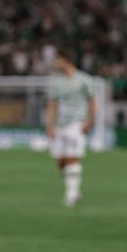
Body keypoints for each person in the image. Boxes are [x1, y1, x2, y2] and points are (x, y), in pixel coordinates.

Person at [46, 48, 97, 208]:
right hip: (60, 125)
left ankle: (71, 194)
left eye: (58, 59)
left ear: (66, 60)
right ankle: (73, 188)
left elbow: (92, 101)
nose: (56, 63)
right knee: (60, 161)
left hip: (77, 123)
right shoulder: (57, 82)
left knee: (72, 157)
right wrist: (50, 126)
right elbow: (53, 105)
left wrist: (90, 121)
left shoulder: (83, 79)